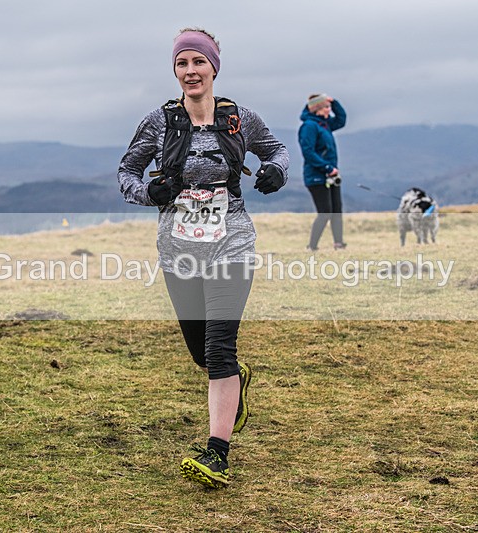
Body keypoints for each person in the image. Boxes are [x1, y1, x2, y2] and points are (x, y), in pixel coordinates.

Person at [117, 28, 289, 489]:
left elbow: (276, 150)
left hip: (231, 244)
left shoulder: (240, 119)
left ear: (214, 67)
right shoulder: (159, 122)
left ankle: (217, 453)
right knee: (202, 353)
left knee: (218, 349)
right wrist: (149, 191)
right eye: (181, 64)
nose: (190, 71)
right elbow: (126, 173)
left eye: (198, 62)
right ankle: (236, 378)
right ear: (175, 71)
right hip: (177, 250)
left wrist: (275, 171)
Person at [298, 94, 347, 251]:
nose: (329, 110)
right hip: (317, 176)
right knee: (325, 212)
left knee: (336, 210)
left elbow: (341, 120)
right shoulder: (309, 126)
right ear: (317, 109)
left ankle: (339, 244)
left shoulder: (324, 124)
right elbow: (308, 152)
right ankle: (312, 246)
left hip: (331, 175)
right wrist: (326, 167)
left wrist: (334, 101)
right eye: (326, 107)